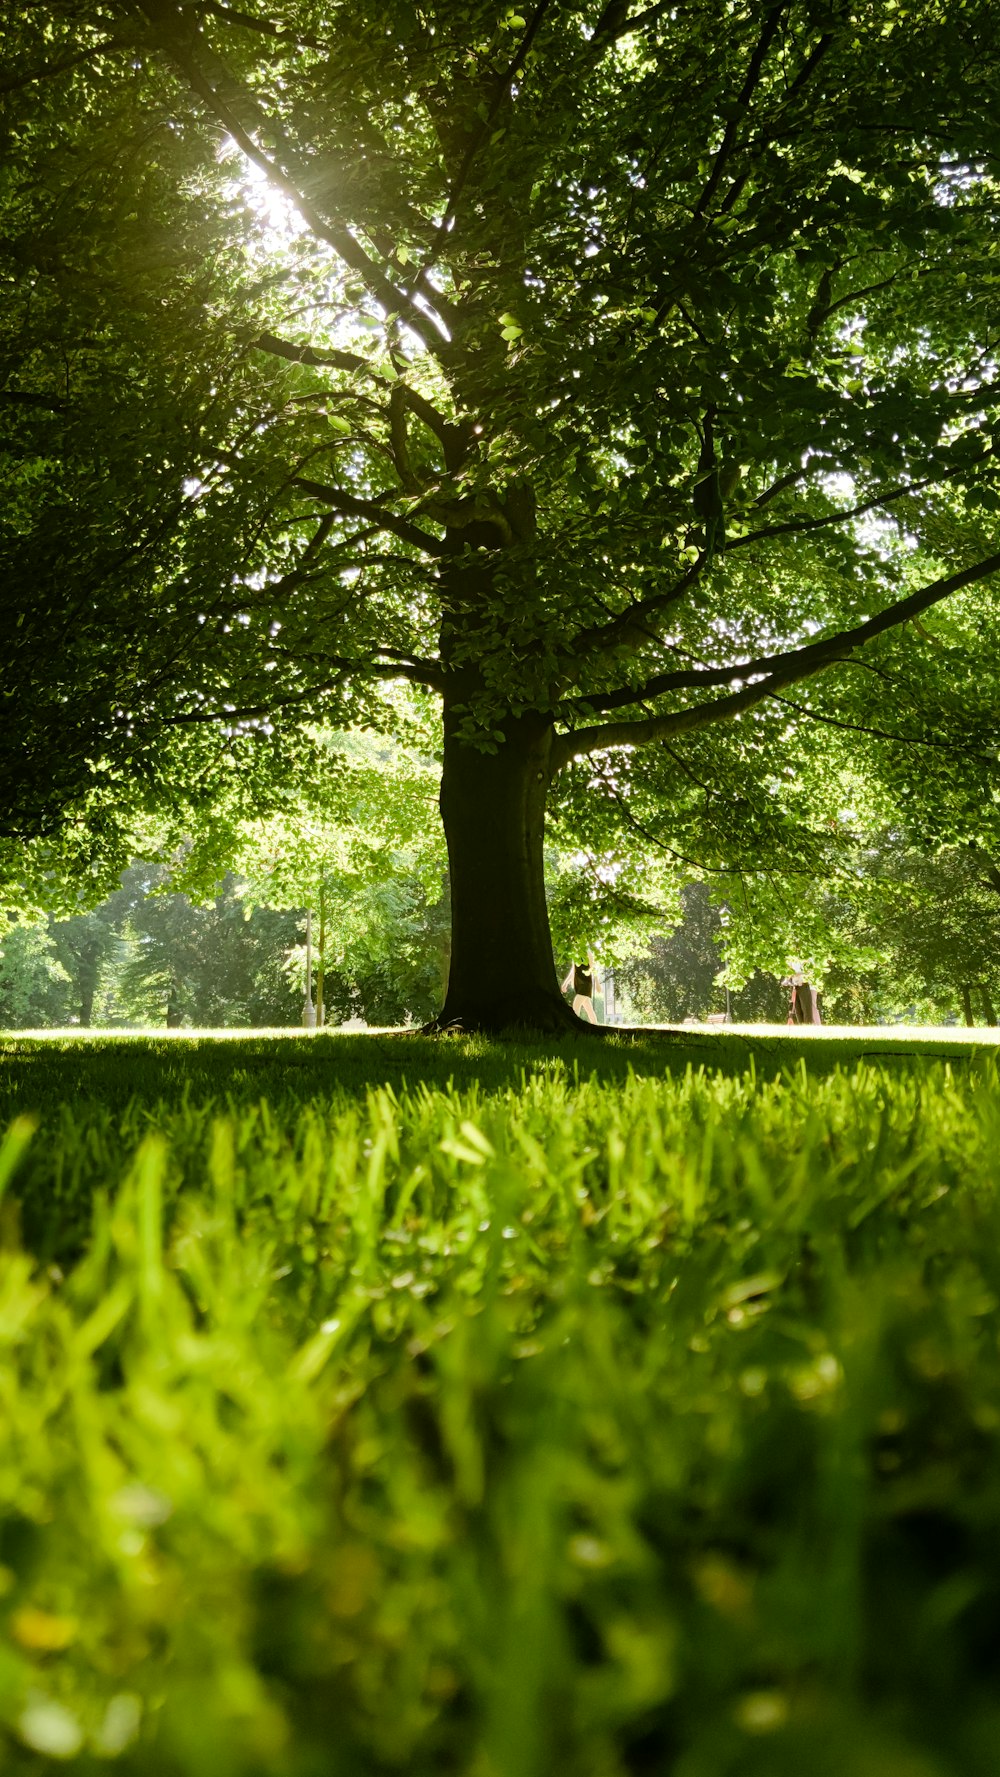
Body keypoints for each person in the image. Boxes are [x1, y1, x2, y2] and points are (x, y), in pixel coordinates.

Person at [561, 956, 599, 1023]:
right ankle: (596, 1028)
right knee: (589, 1010)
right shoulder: (575, 953)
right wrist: (565, 983)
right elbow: (573, 970)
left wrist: (597, 983)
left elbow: (593, 968)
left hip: (586, 984)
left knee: (576, 1006)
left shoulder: (587, 952)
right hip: (579, 985)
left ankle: (575, 1028)